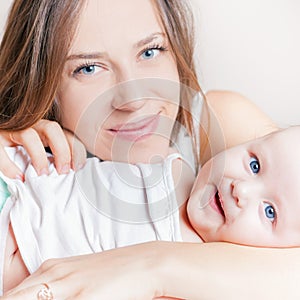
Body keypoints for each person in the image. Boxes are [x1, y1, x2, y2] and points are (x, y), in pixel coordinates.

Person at [0, 0, 287, 299]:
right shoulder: (25, 167)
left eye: (150, 51)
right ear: (40, 82)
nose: (134, 99)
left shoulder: (219, 124)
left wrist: (151, 266)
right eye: (88, 68)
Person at [2, 125, 300, 297]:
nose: (242, 190)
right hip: (15, 178)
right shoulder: (171, 160)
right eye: (254, 165)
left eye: (270, 212)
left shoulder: (190, 282)